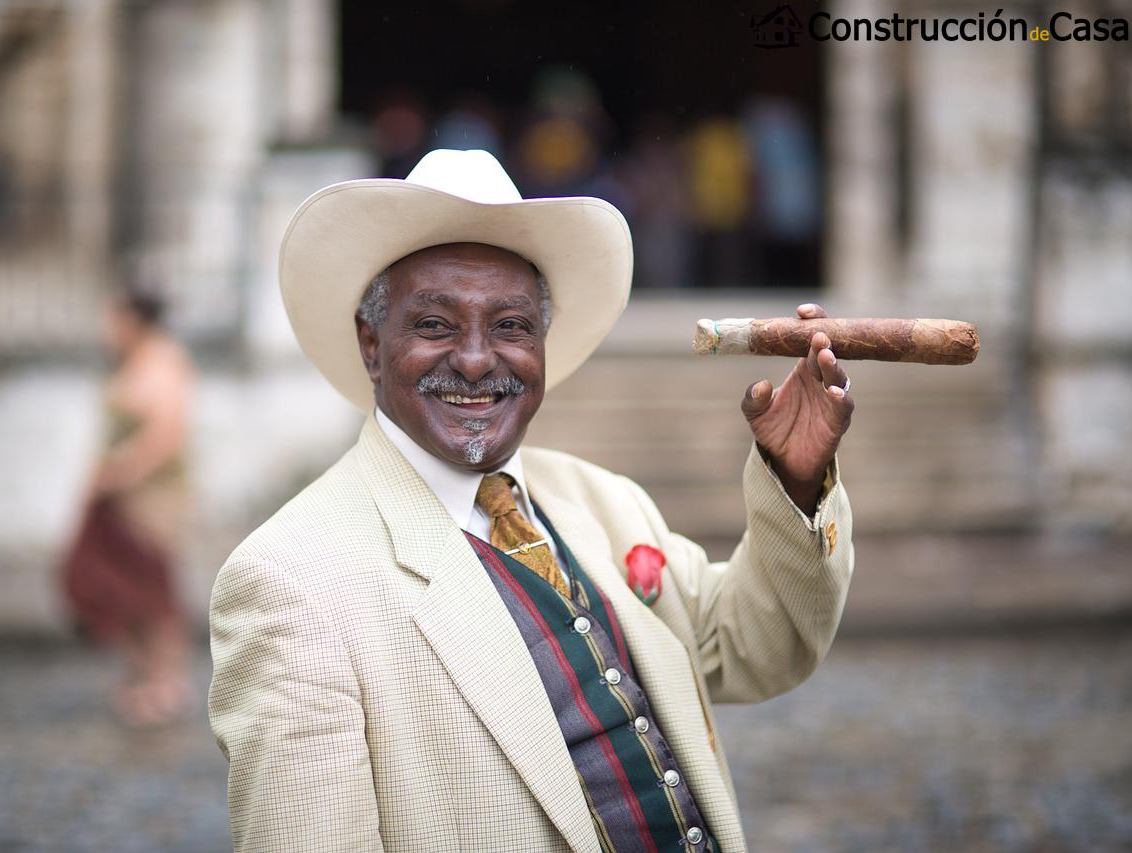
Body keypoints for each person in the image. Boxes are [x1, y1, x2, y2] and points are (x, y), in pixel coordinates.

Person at [209, 150, 855, 852]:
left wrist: (796, 478)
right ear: (373, 344)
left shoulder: (604, 502)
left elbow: (756, 648)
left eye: (512, 326)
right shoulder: (292, 582)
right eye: (435, 325)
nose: (479, 358)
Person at [62, 287, 194, 727]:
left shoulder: (163, 360)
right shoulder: (131, 361)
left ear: (135, 319)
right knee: (118, 586)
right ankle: (141, 673)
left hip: (152, 496)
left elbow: (165, 435)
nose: (108, 329)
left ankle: (167, 682)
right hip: (119, 495)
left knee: (154, 589)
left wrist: (121, 472)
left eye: (114, 319)